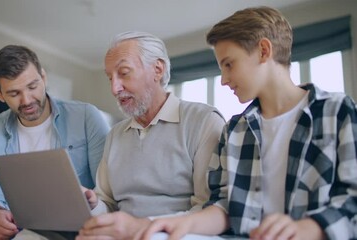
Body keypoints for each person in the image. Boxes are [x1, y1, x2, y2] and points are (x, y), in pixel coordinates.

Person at [142, 6, 357, 240]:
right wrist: (180, 223)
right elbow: (224, 205)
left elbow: (352, 197)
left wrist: (310, 228)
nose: (223, 80)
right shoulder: (234, 130)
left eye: (229, 64)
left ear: (264, 51)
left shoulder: (336, 110)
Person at [0, 45, 110, 240]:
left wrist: (92, 201)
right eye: (14, 94)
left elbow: (106, 190)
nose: (26, 100)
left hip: (71, 225)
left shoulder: (85, 117)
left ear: (43, 77)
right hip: (14, 221)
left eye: (32, 87)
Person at [74, 31, 225, 240]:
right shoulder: (116, 134)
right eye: (110, 78)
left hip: (177, 232)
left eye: (124, 73)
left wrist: (143, 227)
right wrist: (92, 203)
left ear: (157, 69)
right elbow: (107, 204)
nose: (114, 88)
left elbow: (208, 206)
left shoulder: (203, 120)